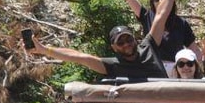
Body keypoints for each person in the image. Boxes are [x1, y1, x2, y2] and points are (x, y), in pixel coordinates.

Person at [98, 0, 201, 73]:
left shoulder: (181, 23)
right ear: (152, 2)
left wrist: (202, 67)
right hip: (152, 69)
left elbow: (194, 51)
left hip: (176, 71)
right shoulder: (147, 16)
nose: (161, 1)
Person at [28, 24, 167, 81]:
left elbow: (161, 14)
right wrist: (45, 50)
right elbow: (79, 57)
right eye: (120, 42)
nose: (126, 45)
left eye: (128, 39)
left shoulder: (148, 47)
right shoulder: (112, 65)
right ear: (114, 47)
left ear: (135, 39)